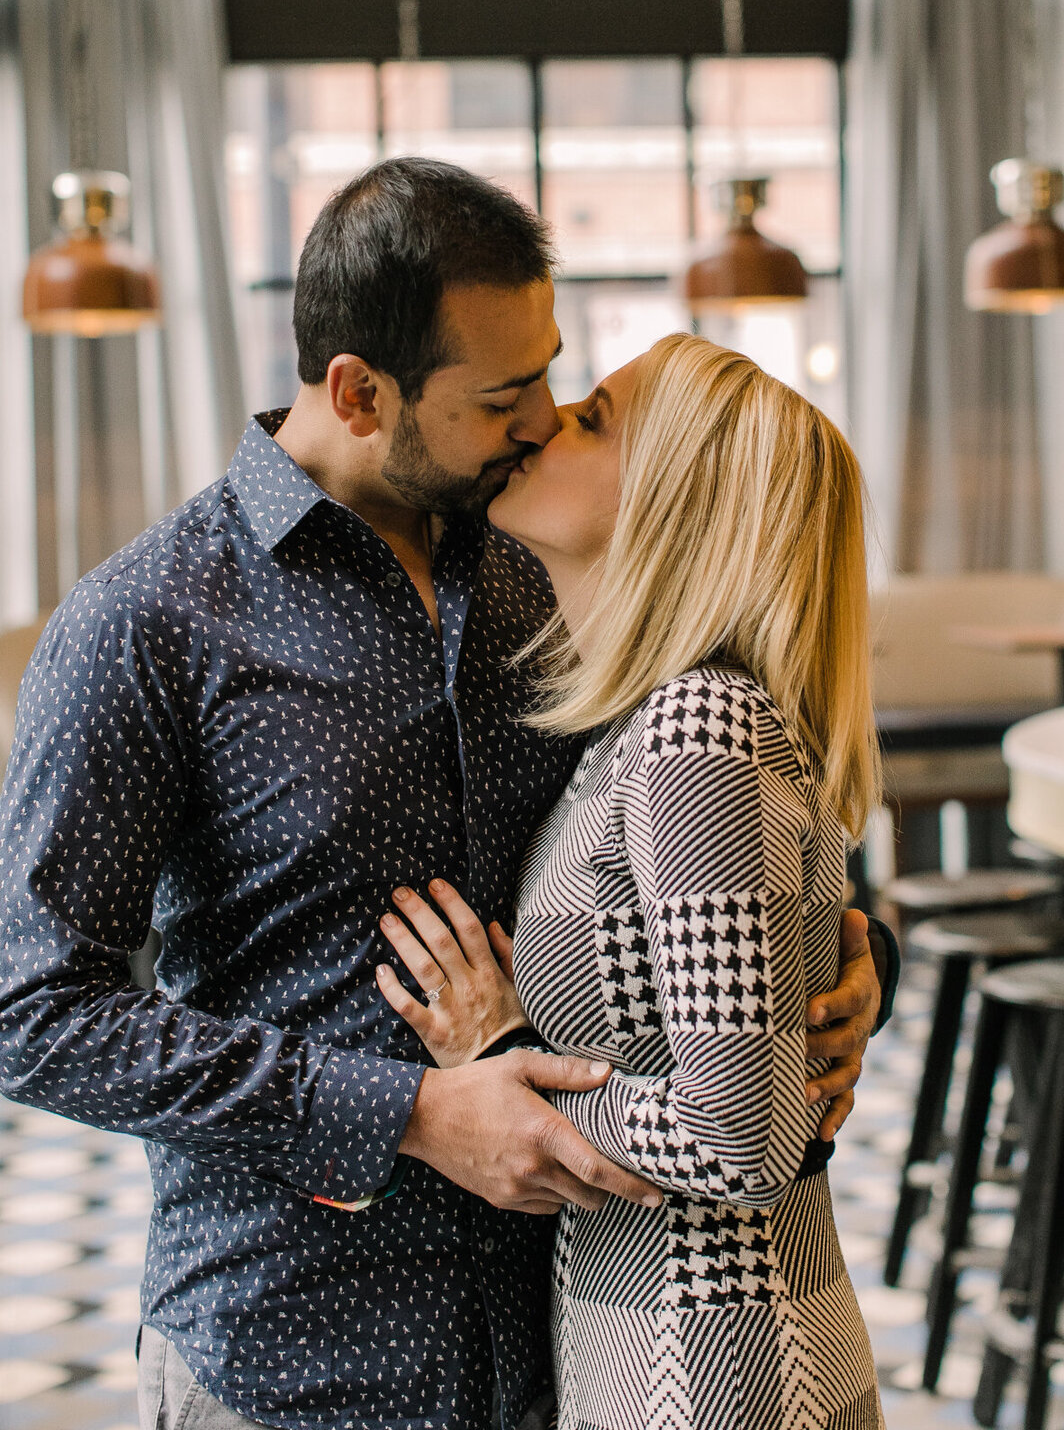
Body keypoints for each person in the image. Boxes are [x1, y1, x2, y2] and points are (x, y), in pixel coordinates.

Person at [0, 159, 895, 1430]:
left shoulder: (563, 557)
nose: (538, 419)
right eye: (502, 395)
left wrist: (852, 973)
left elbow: (726, 837)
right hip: (292, 1348)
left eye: (554, 379)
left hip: (588, 1337)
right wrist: (411, 1114)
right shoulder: (145, 624)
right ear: (363, 393)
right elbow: (31, 1011)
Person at [375, 332, 886, 1430]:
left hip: (713, 1362)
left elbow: (741, 1138)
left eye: (595, 419)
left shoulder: (701, 728)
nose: (548, 422)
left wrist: (508, 1068)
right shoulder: (650, 724)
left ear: (677, 500)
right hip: (661, 1335)